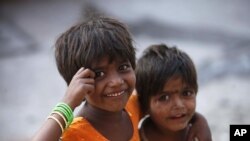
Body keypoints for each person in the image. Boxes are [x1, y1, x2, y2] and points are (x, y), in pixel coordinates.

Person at [32, 17, 211, 141]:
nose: (116, 81)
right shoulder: (76, 133)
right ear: (77, 84)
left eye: (123, 67)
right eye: (99, 74)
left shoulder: (131, 106)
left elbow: (166, 106)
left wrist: (198, 120)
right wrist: (68, 103)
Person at [136, 44, 212, 141]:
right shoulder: (134, 137)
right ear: (145, 105)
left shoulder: (199, 136)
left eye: (186, 93)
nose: (179, 105)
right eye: (164, 98)